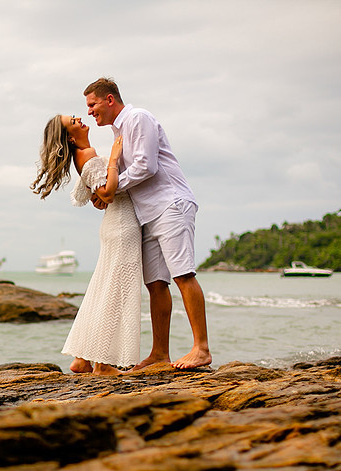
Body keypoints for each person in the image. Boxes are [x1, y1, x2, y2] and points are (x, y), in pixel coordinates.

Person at [83, 77, 212, 370]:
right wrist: (106, 190)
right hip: (148, 213)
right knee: (156, 283)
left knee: (183, 274)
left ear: (110, 99)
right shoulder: (119, 131)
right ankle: (159, 354)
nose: (90, 111)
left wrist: (110, 189)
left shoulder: (138, 118)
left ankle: (201, 348)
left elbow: (146, 166)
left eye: (92, 104)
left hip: (171, 204)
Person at [31, 114, 142, 375]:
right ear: (70, 137)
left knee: (102, 291)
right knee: (115, 295)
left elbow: (96, 192)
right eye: (73, 121)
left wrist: (100, 192)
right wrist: (114, 159)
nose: (80, 118)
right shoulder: (86, 153)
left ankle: (82, 359)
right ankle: (102, 364)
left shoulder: (84, 154)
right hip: (122, 227)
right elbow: (106, 192)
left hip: (116, 225)